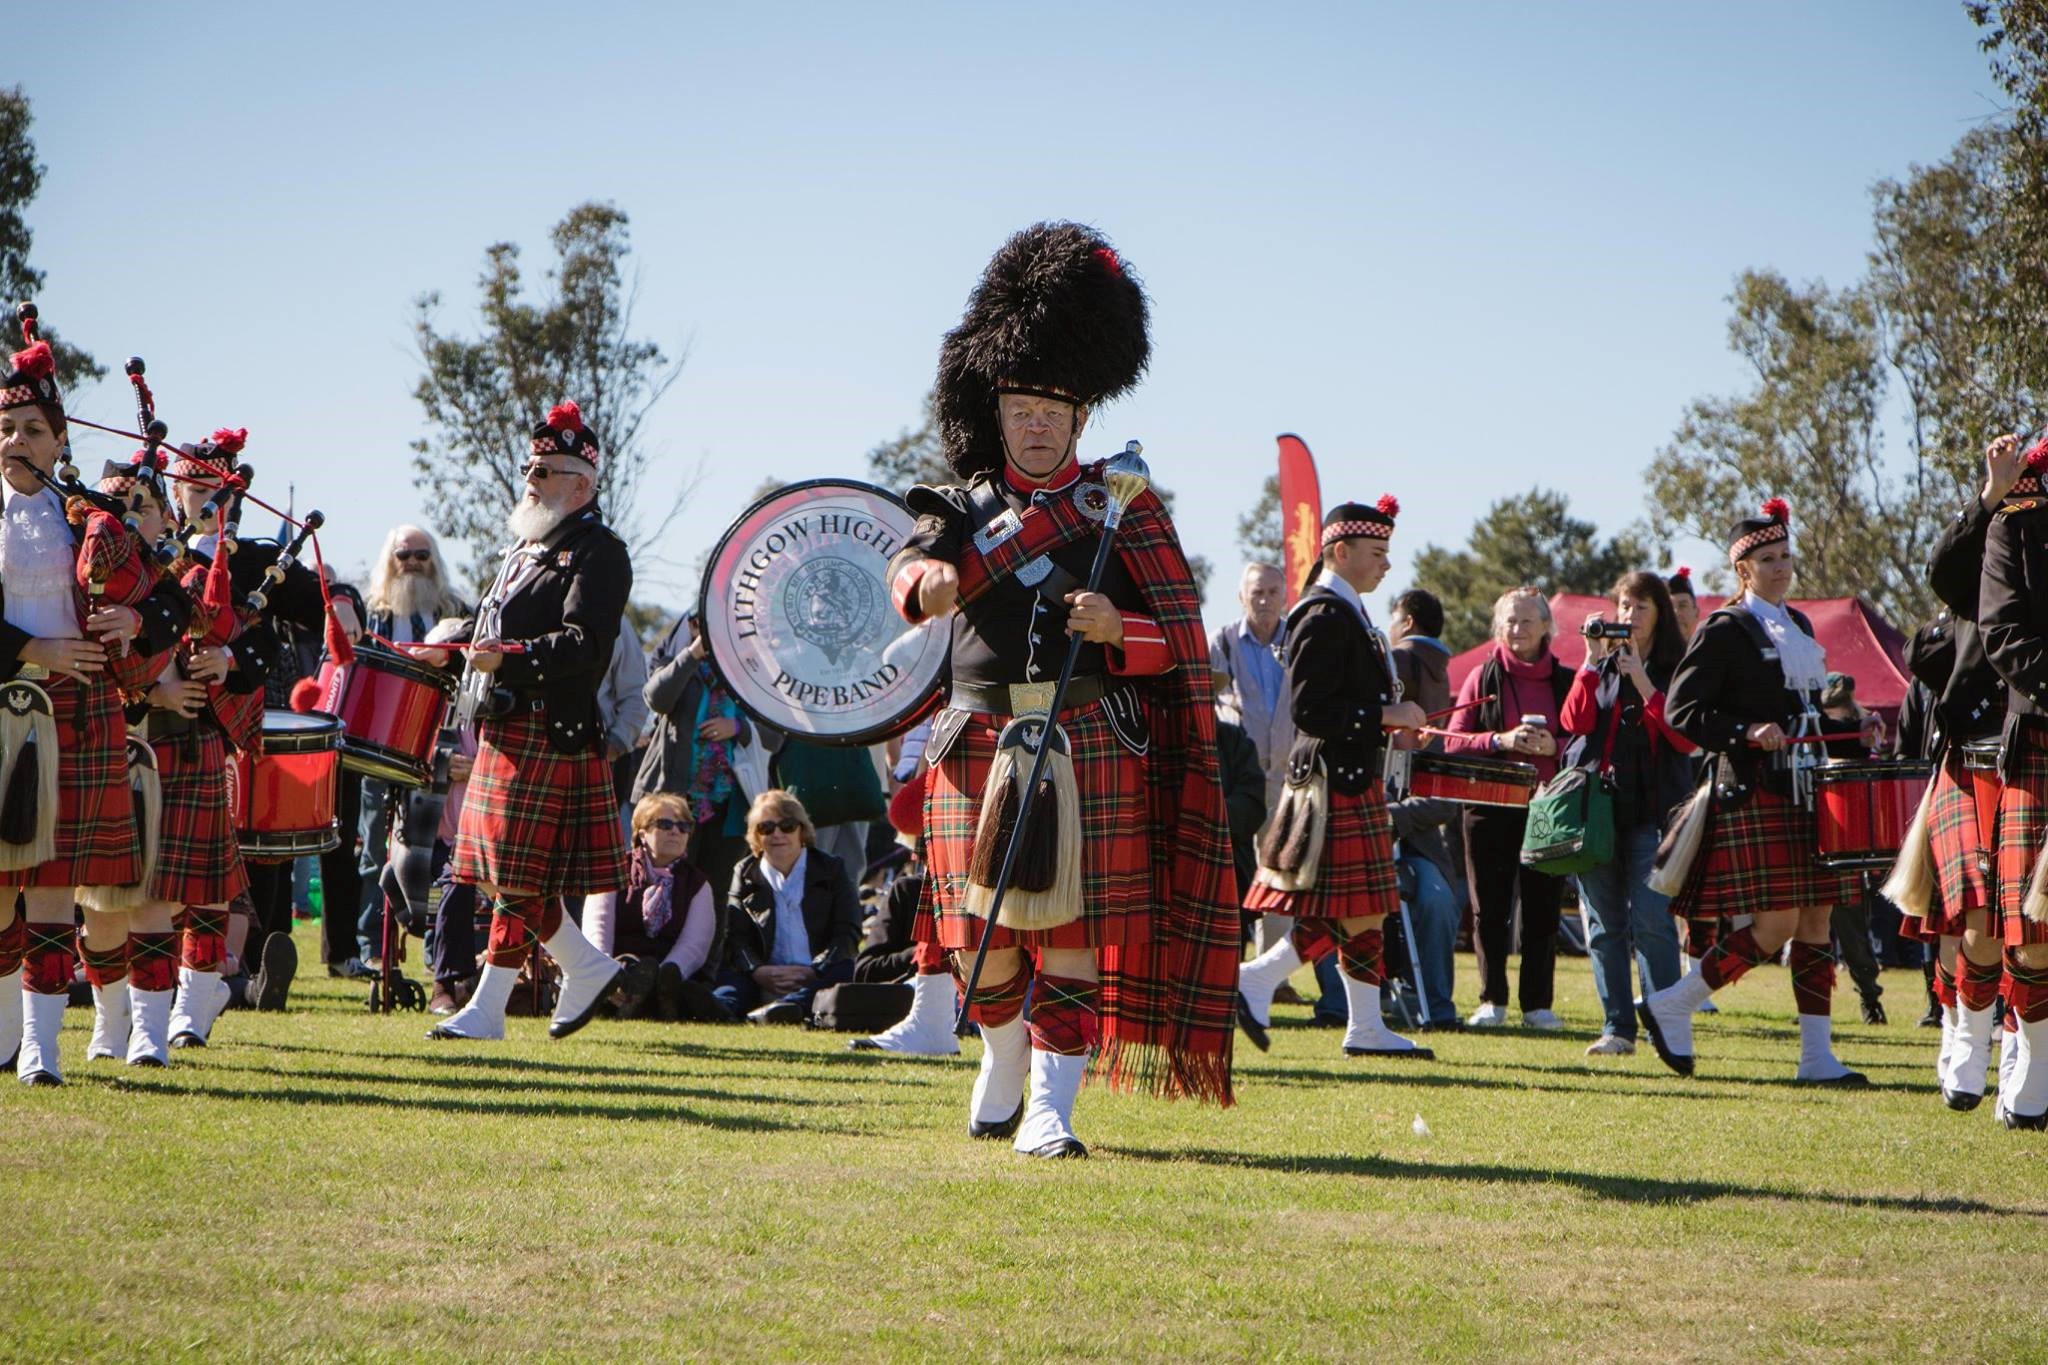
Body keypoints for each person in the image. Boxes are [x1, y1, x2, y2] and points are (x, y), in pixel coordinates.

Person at [887, 222, 1241, 1158]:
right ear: (995, 411)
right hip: (975, 741)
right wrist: (926, 585)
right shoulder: (955, 508)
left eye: (1053, 408)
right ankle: (1002, 1055)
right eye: (1021, 406)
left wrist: (1112, 630)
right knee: (981, 944)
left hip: (1086, 740)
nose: (1035, 422)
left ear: (1082, 417)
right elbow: (911, 575)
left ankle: (1052, 1108)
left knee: (1073, 935)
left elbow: (1181, 646)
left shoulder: (1125, 506)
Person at [0, 310, 192, 1083]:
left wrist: (137, 614)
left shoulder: (89, 519)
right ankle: (10, 1032)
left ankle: (41, 1048)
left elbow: (175, 600)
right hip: (8, 703)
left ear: (60, 441)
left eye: (33, 431)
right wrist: (31, 649)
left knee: (51, 890)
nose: (17, 442)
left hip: (76, 715)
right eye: (7, 427)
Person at [1638, 498, 1874, 1085]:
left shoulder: (1798, 625)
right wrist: (1745, 732)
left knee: (1818, 918)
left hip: (1809, 790)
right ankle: (1673, 1003)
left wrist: (1851, 724)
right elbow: (1683, 710)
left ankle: (1817, 1058)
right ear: (1742, 569)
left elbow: (1808, 709)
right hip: (1755, 790)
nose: (1781, 567)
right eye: (1768, 559)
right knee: (1774, 927)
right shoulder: (1725, 629)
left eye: (1785, 555)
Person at [428, 400, 631, 1044]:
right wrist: (453, 637)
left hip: (550, 729)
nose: (531, 479)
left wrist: (508, 658)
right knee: (500, 873)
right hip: (502, 724)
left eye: (545, 470)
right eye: (530, 467)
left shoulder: (600, 554)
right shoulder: (527, 548)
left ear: (582, 484)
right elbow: (496, 627)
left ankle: (489, 1010)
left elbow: (585, 645)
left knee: (514, 877)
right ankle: (585, 964)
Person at [1235, 496, 1434, 1060]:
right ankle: (1260, 978)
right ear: (1340, 551)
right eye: (1377, 552)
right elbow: (1309, 711)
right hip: (1331, 781)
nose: (1387, 565)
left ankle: (1364, 1026)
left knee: (1365, 908)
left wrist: (1387, 722)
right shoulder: (1322, 614)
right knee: (1350, 909)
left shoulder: (1344, 611)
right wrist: (1384, 717)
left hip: (1346, 774)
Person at [1561, 571, 1693, 1055]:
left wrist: (1640, 677)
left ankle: (1667, 1023)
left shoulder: (1678, 666)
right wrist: (1590, 663)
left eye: (1640, 608)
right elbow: (1573, 723)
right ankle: (1618, 1028)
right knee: (1603, 925)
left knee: (1654, 921)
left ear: (1659, 613)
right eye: (1623, 607)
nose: (1629, 617)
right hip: (1597, 810)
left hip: (1653, 812)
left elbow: (1684, 738)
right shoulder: (1602, 666)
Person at [1443, 587, 1573, 1029]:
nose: (1517, 630)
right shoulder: (1482, 676)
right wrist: (1500, 740)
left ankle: (1537, 1005)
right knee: (1489, 908)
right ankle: (1491, 999)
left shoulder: (1566, 680)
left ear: (1546, 627)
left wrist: (1555, 744)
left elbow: (1586, 744)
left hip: (1548, 807)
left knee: (1542, 910)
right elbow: (1454, 740)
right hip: (1489, 806)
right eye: (1509, 622)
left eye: (1526, 621)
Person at [1975, 431, 2048, 1127]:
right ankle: (2030, 1073)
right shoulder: (2016, 524)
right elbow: (2002, 632)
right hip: (2042, 734)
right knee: (2031, 931)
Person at [353, 524, 466, 966]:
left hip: (438, 747)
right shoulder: (370, 615)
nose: (414, 563)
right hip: (378, 745)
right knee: (373, 847)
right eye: (405, 555)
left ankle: (435, 950)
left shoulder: (455, 610)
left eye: (422, 555)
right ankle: (373, 949)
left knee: (438, 853)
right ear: (390, 559)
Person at [631, 609, 764, 912]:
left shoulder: (750, 667)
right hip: (672, 799)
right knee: (660, 884)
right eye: (696, 623)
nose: (704, 630)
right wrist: (693, 655)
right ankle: (655, 956)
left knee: (713, 892)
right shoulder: (676, 661)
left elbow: (775, 733)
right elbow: (656, 698)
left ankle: (707, 961)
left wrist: (738, 727)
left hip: (728, 802)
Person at [713, 789, 860, 1022]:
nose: (777, 834)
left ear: (802, 830)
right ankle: (715, 1010)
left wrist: (814, 970)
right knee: (728, 987)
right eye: (766, 828)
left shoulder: (832, 869)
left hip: (817, 973)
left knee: (846, 970)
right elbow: (735, 937)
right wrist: (758, 971)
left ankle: (785, 1008)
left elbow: (848, 933)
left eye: (787, 826)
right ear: (756, 837)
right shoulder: (744, 872)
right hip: (762, 973)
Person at [585, 792, 729, 1021]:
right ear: (642, 834)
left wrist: (668, 973)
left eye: (683, 826)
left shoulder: (697, 883)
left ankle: (653, 997)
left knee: (685, 990)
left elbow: (695, 945)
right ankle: (628, 996)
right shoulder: (613, 870)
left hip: (670, 977)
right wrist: (608, 974)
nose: (675, 831)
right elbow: (597, 928)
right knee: (629, 970)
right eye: (664, 824)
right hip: (618, 970)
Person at [1211, 563, 1293, 951]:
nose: (1264, 600)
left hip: (1288, 779)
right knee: (1236, 873)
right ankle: (1233, 969)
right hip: (1238, 782)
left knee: (1280, 876)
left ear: (1285, 596)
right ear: (1241, 596)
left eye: (1272, 592)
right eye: (1256, 592)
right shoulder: (1221, 643)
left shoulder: (1299, 642)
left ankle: (1271, 976)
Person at [1667, 566, 1700, 640]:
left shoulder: (1705, 650)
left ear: (1696, 612)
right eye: (1670, 607)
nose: (1676, 612)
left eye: (1682, 606)